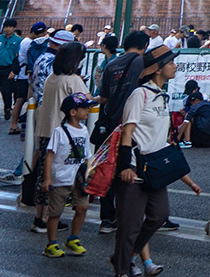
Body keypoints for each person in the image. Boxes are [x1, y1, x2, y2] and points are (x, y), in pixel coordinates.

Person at [115, 46, 201, 277]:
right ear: (157, 69)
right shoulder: (139, 95)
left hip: (155, 168)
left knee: (159, 216)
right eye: (171, 62)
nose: (175, 66)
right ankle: (121, 270)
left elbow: (162, 141)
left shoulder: (162, 96)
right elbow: (127, 131)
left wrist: (187, 180)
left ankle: (124, 257)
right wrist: (125, 165)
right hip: (135, 167)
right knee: (130, 225)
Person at [93, 30, 150, 235]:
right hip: (133, 124)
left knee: (109, 169)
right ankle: (137, 216)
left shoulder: (111, 65)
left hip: (111, 125)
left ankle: (107, 218)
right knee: (135, 168)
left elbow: (104, 97)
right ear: (144, 45)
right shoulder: (141, 64)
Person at [36, 40, 91, 233]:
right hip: (64, 133)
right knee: (61, 178)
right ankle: (50, 218)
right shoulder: (73, 80)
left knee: (44, 174)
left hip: (44, 129)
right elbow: (87, 100)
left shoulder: (52, 77)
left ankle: (40, 216)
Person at [42, 91, 95, 258]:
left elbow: (87, 155)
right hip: (60, 178)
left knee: (82, 207)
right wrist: (47, 178)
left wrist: (89, 172)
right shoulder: (60, 132)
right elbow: (50, 154)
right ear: (73, 112)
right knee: (55, 212)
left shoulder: (84, 130)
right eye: (84, 109)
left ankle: (73, 238)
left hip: (78, 178)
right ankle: (51, 243)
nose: (87, 112)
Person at [0, 19, 23, 128]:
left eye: (10, 27)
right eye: (6, 27)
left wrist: (15, 70)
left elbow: (19, 56)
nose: (7, 29)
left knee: (6, 90)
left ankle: (7, 108)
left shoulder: (18, 40)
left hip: (8, 68)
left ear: (14, 28)